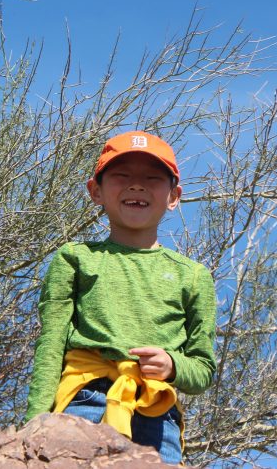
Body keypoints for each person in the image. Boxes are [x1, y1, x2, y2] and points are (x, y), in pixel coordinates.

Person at [23, 130, 216, 465]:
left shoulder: (193, 276)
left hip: (156, 413)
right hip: (83, 403)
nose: (136, 186)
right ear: (95, 190)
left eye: (152, 178)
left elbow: (202, 370)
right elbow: (51, 344)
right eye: (122, 176)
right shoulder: (75, 258)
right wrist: (34, 423)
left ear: (174, 196)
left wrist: (172, 365)